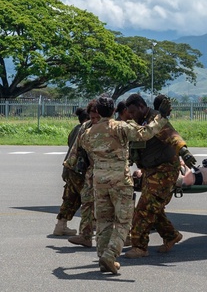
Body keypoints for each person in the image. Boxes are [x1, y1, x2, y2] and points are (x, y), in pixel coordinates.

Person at [79, 93, 168, 275]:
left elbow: (85, 148)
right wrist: (161, 118)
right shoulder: (120, 127)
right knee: (124, 221)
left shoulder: (88, 132)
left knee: (103, 221)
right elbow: (145, 134)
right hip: (119, 179)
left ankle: (103, 256)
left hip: (99, 180)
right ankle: (111, 255)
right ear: (113, 110)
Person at [122, 94, 197, 259]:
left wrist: (184, 152)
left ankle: (140, 247)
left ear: (142, 107)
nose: (131, 116)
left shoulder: (156, 118)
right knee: (153, 207)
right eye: (130, 113)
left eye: (134, 112)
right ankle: (171, 235)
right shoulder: (140, 121)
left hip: (164, 170)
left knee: (143, 209)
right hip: (150, 170)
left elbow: (172, 135)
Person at [67, 100, 100, 248]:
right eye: (92, 117)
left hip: (111, 173)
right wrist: (70, 164)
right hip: (91, 171)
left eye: (96, 118)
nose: (94, 121)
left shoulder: (112, 127)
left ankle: (124, 236)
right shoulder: (85, 127)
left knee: (112, 206)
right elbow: (76, 148)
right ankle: (86, 236)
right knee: (86, 201)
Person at [53, 106, 89, 236]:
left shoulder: (75, 130)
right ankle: (90, 228)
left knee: (70, 198)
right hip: (80, 170)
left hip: (70, 169)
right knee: (89, 198)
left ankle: (60, 225)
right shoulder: (86, 131)